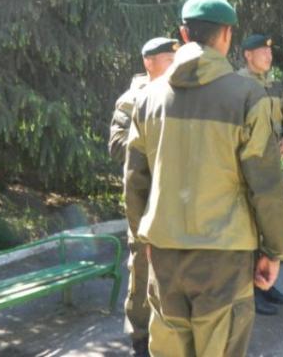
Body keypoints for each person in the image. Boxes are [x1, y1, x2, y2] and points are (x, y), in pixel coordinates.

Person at [124, 0, 283, 357]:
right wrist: (275, 250)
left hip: (164, 254)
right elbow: (265, 185)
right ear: (228, 35)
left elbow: (135, 180)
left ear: (184, 34)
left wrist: (143, 239)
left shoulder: (148, 98)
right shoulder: (248, 96)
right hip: (225, 258)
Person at [108, 37, 179, 356]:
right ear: (148, 63)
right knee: (141, 267)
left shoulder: (177, 95)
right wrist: (154, 148)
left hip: (175, 197)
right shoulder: (131, 99)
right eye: (168, 60)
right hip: (145, 197)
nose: (174, 65)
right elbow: (116, 144)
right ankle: (139, 337)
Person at [237, 33, 283, 316]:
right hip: (248, 169)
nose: (269, 56)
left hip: (272, 165)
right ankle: (251, 291)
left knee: (269, 226)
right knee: (251, 228)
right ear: (247, 55)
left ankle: (266, 283)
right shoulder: (237, 85)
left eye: (270, 52)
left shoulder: (276, 86)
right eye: (263, 51)